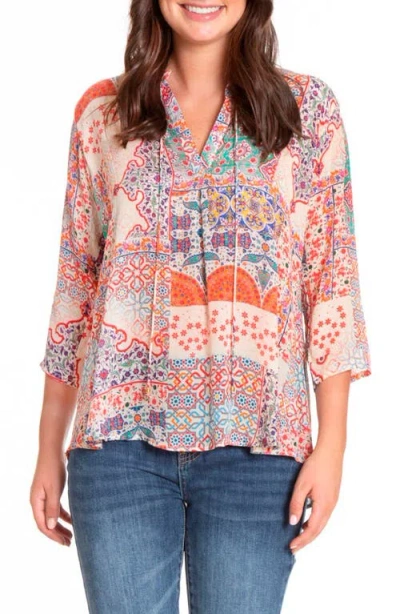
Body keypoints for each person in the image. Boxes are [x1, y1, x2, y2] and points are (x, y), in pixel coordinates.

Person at [30, 1, 372, 612]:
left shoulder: (307, 111)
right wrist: (46, 447)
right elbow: (76, 283)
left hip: (259, 449)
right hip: (117, 445)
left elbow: (332, 282)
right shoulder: (101, 114)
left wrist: (334, 446)